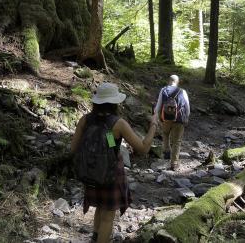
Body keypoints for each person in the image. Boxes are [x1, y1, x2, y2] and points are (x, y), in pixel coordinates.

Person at [71, 82, 156, 243]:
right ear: (115, 102)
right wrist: (153, 125)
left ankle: (94, 239)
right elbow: (143, 149)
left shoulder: (85, 120)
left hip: (90, 173)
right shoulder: (118, 123)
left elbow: (73, 148)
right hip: (111, 175)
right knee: (107, 217)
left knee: (99, 208)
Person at [153, 75, 190, 171]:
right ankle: (174, 163)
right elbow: (187, 106)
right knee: (177, 141)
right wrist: (187, 116)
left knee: (165, 134)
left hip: (165, 118)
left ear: (169, 81)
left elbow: (159, 104)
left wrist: (156, 115)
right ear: (177, 82)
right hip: (179, 119)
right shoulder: (182, 91)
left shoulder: (163, 90)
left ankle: (166, 151)